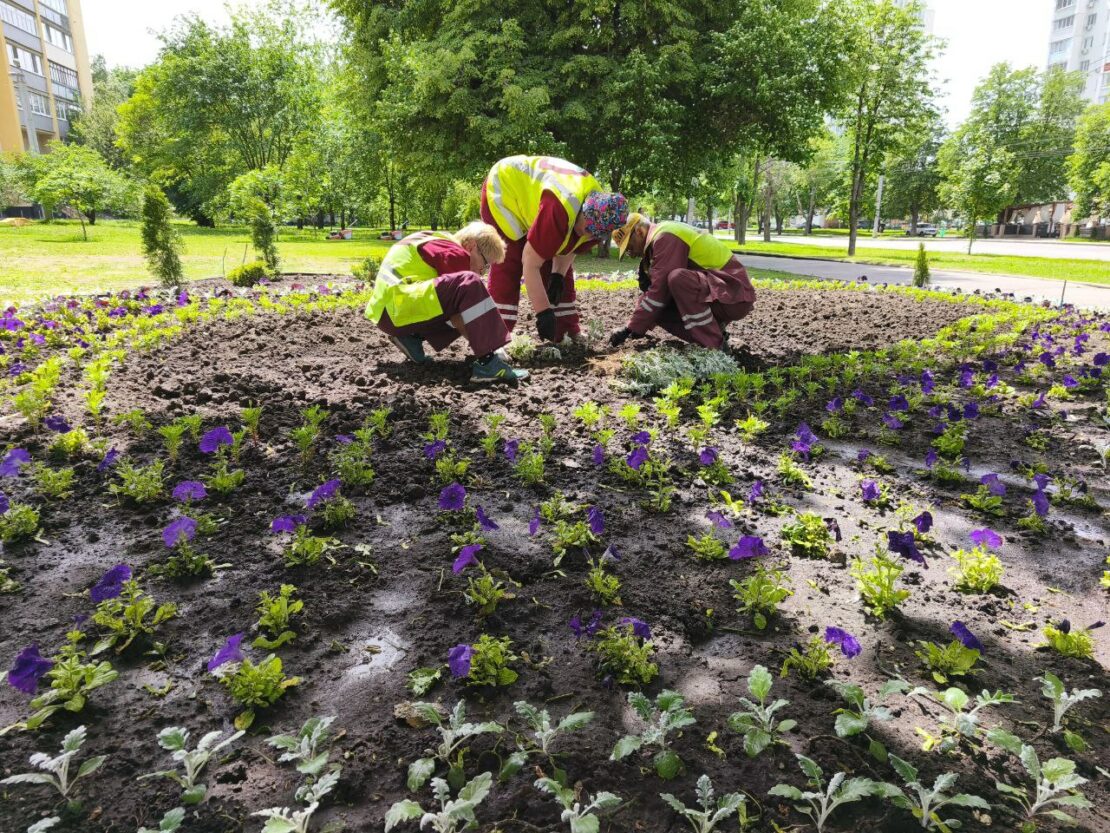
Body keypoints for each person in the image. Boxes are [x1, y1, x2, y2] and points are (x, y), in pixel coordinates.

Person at [480, 155, 627, 343]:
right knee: (510, 259)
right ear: (584, 210)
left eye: (595, 233)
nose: (588, 235)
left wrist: (558, 275)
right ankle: (495, 338)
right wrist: (543, 312)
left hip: (537, 200)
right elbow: (530, 262)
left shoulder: (601, 210)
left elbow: (569, 246)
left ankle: (566, 330)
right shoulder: (559, 208)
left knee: (556, 275)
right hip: (504, 190)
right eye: (588, 228)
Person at [365, 222, 529, 386]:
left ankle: (411, 338)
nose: (483, 272)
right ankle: (488, 365)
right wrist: (491, 351)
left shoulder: (440, 243)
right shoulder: (455, 253)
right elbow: (459, 316)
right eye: (485, 264)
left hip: (390, 312)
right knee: (470, 284)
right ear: (471, 247)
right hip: (399, 307)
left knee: (465, 298)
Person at [608, 213, 756, 350]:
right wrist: (636, 326)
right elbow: (656, 295)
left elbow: (660, 291)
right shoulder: (662, 235)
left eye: (630, 247)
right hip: (722, 292)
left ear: (639, 232)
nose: (632, 254)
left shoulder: (665, 236)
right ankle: (715, 335)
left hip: (733, 292)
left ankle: (714, 346)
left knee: (677, 279)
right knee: (654, 307)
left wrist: (629, 328)